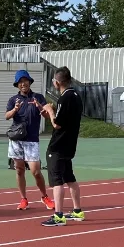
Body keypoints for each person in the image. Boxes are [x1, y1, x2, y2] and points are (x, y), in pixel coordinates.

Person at [38, 66, 85, 226]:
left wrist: (50, 111)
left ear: (57, 82)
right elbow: (63, 120)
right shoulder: (76, 96)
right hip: (69, 144)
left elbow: (57, 124)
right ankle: (77, 210)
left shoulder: (65, 98)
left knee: (57, 180)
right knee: (69, 177)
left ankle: (58, 215)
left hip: (58, 145)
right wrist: (49, 114)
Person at [5, 69, 54, 212]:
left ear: (30, 82)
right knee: (19, 170)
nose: (23, 84)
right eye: (20, 82)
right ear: (17, 85)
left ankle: (45, 196)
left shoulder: (38, 97)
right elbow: (7, 116)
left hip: (32, 140)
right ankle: (23, 199)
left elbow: (46, 115)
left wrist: (40, 107)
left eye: (25, 80)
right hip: (16, 140)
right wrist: (15, 109)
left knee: (36, 171)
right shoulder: (13, 100)